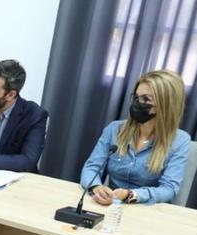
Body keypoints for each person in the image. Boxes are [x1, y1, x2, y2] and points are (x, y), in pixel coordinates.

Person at [80, 69, 191, 205]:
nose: (137, 103)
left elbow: (169, 189)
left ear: (165, 105)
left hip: (146, 210)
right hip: (110, 207)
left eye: (146, 99)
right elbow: (91, 167)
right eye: (136, 97)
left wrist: (131, 195)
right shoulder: (115, 129)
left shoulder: (179, 140)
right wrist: (96, 187)